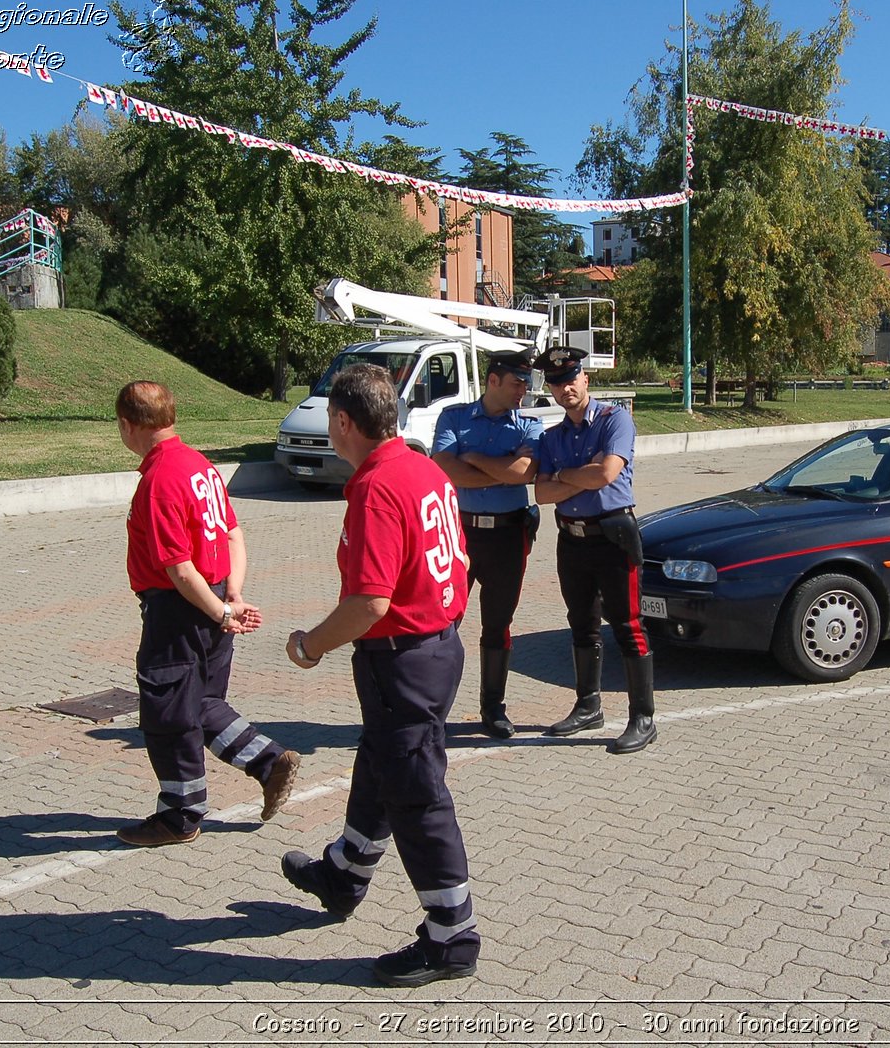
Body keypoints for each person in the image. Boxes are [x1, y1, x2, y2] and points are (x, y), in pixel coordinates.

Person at [279, 363, 479, 988]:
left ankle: (451, 937)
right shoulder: (420, 465)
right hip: (436, 647)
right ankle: (345, 872)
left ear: (342, 421)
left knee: (417, 796)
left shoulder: (376, 486)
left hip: (405, 658)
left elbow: (370, 603)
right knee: (382, 763)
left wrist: (311, 645)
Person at [115, 381, 300, 847]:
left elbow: (178, 568)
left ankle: (180, 815)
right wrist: (232, 596)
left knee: (168, 712)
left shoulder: (159, 480)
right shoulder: (200, 466)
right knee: (201, 704)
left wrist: (220, 611)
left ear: (127, 425)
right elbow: (234, 534)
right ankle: (268, 761)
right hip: (215, 597)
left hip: (182, 611)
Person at [532, 346, 657, 755]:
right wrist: (579, 479)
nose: (565, 387)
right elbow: (544, 492)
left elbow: (607, 473)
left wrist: (567, 476)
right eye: (556, 382)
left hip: (613, 538)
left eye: (571, 378)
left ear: (586, 379)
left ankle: (643, 717)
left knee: (628, 626)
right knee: (581, 623)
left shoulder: (614, 420)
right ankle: (588, 705)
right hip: (572, 540)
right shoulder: (552, 436)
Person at [430, 351, 544, 739]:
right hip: (459, 534)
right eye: (517, 383)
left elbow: (525, 473)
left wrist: (474, 457)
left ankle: (493, 709)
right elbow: (444, 467)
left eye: (527, 384)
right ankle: (432, 710)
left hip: (509, 537)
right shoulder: (454, 418)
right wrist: (503, 470)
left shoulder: (529, 426)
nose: (523, 391)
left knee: (498, 625)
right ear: (493, 380)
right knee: (443, 622)